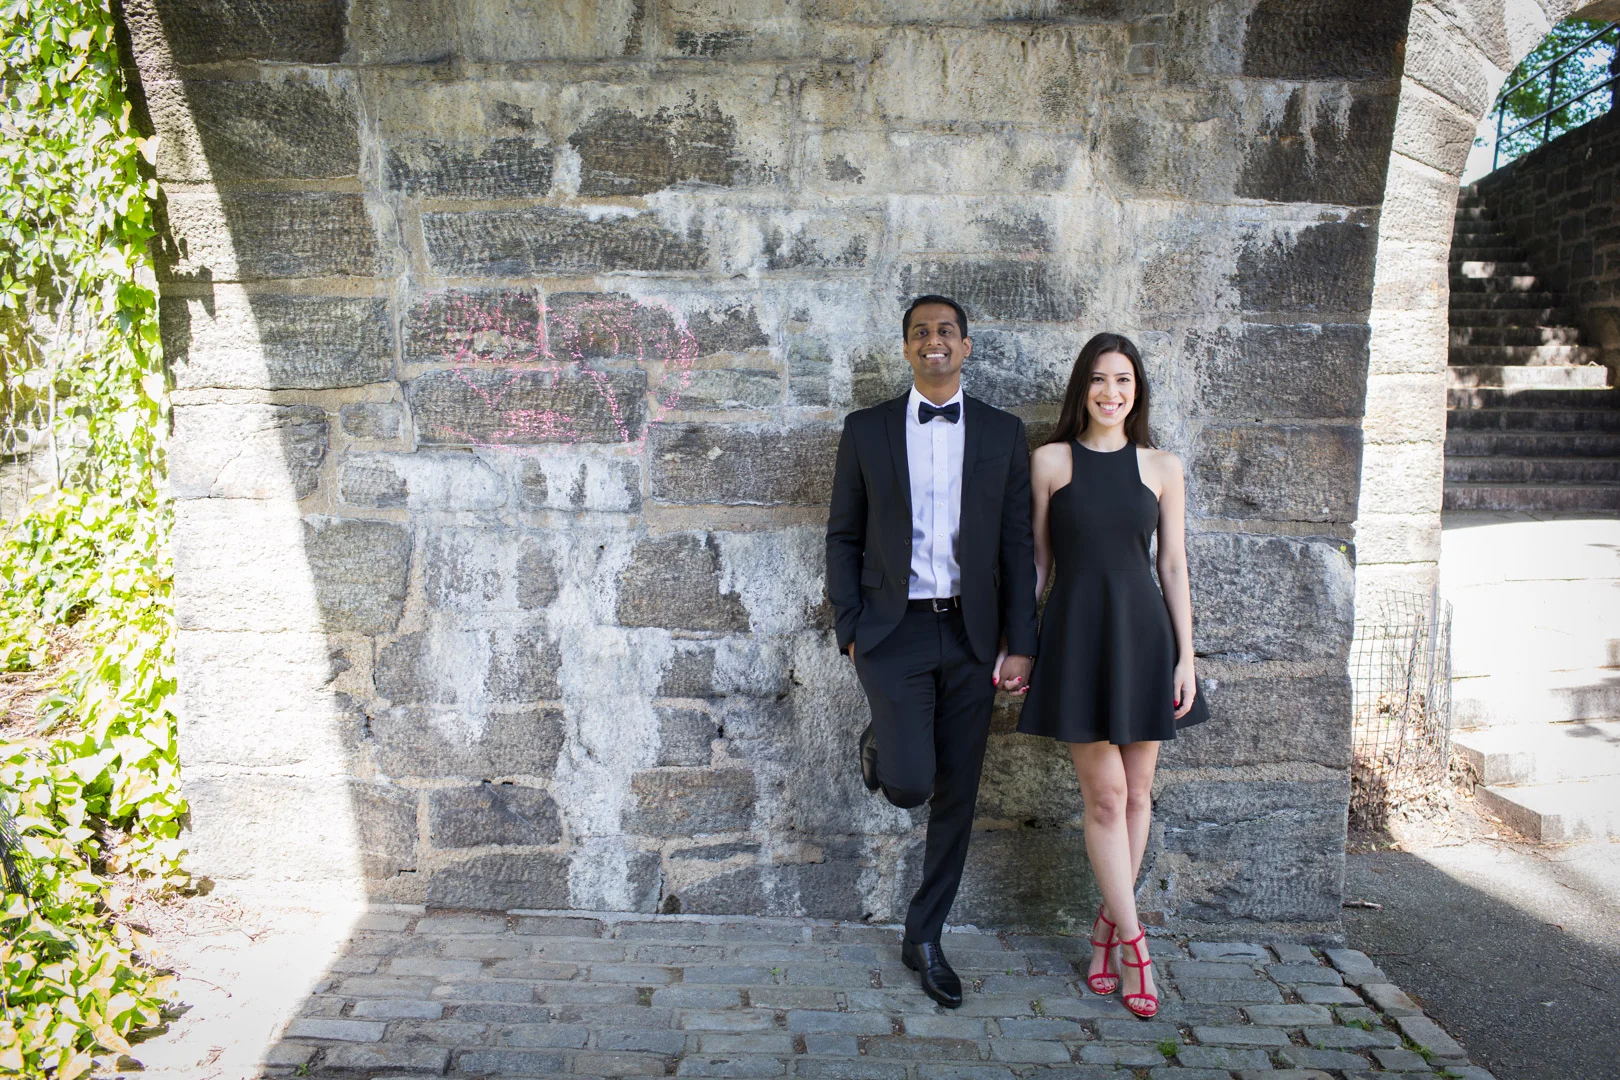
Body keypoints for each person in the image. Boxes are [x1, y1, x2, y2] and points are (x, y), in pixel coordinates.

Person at [825, 295, 1039, 1008]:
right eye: (920, 332)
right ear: (907, 348)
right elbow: (843, 534)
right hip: (893, 632)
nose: (933, 340)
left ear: (966, 346)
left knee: (957, 793)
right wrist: (850, 625)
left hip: (972, 635)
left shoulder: (1004, 433)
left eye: (946, 330)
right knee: (912, 783)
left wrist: (1021, 644)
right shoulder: (867, 429)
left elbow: (1017, 545)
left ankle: (925, 935)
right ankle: (885, 744)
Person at [1016, 332, 1208, 1020]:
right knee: (1106, 799)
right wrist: (1020, 644)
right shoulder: (1050, 461)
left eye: (1123, 380)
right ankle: (1135, 945)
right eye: (1099, 379)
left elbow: (1173, 566)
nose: (1111, 392)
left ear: (1137, 390)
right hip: (1076, 639)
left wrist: (1187, 657)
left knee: (1138, 795)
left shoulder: (1162, 467)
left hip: (1145, 640)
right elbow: (1038, 563)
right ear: (1083, 387)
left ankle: (1105, 931)